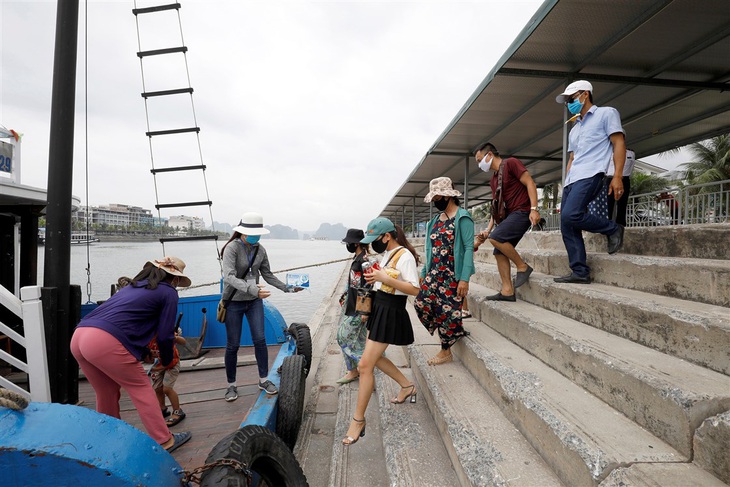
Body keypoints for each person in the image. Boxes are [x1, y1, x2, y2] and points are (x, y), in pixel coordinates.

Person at [70, 257, 192, 453]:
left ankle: (109, 438)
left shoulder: (131, 287)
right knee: (141, 388)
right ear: (175, 278)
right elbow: (165, 333)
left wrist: (143, 352)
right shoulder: (168, 291)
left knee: (106, 391)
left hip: (80, 335)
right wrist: (167, 360)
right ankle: (164, 440)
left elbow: (124, 324)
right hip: (104, 341)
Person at [342, 218, 421, 446]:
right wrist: (377, 279)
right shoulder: (387, 254)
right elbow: (384, 282)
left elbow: (414, 289)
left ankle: (358, 420)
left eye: (375, 239)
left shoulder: (404, 255)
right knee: (373, 360)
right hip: (380, 308)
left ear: (387, 236)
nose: (372, 244)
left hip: (391, 312)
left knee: (365, 365)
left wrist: (383, 278)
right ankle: (407, 386)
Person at [220, 212, 303, 401]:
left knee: (260, 339)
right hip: (233, 302)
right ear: (242, 232)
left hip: (254, 302)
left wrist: (287, 288)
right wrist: (253, 290)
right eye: (252, 232)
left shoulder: (260, 249)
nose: (255, 236)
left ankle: (263, 379)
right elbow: (229, 277)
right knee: (233, 345)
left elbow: (267, 274)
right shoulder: (231, 248)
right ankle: (231, 385)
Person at [553, 80, 626, 284]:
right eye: (567, 100)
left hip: (593, 173)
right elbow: (572, 159)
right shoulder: (574, 129)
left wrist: (617, 176)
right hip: (572, 179)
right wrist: (565, 184)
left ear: (585, 94)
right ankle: (580, 272)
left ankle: (612, 228)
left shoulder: (606, 113)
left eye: (571, 98)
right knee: (566, 223)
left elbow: (619, 143)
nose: (569, 103)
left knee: (572, 215)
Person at [415, 177, 475, 365]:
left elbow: (468, 248)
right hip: (434, 272)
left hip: (451, 274)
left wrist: (464, 279)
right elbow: (429, 248)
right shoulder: (434, 221)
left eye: (437, 197)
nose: (435, 202)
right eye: (434, 199)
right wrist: (425, 270)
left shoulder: (462, 218)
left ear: (448, 196)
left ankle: (445, 350)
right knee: (421, 303)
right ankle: (454, 329)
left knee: (445, 312)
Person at [473, 142, 540, 300]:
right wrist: (487, 230)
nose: (479, 164)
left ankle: (522, 267)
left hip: (523, 211)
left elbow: (530, 182)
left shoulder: (511, 163)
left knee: (497, 238)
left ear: (489, 155)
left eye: (479, 160)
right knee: (498, 251)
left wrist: (534, 208)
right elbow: (494, 208)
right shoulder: (493, 180)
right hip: (510, 216)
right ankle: (507, 291)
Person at [335, 228, 369, 384]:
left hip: (359, 309)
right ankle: (353, 370)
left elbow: (367, 286)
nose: (347, 245)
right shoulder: (357, 259)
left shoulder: (363, 261)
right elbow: (353, 285)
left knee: (342, 336)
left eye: (348, 243)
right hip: (351, 305)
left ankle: (363, 366)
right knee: (358, 339)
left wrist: (364, 311)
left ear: (356, 244)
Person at [148, 330, 187, 427]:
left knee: (167, 388)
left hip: (172, 364)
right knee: (157, 388)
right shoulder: (147, 337)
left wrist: (176, 338)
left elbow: (183, 342)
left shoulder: (165, 333)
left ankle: (178, 411)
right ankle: (162, 408)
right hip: (159, 364)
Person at [607, 148, 636, 226]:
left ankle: (621, 224)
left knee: (622, 203)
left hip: (624, 179)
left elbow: (631, 166)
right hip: (610, 178)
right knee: (609, 202)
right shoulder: (608, 152)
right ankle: (607, 223)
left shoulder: (630, 153)